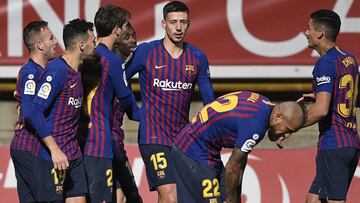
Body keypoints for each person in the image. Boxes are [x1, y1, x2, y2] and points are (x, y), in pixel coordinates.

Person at [126, 1, 214, 202]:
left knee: (174, 196)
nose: (179, 28)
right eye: (173, 22)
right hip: (153, 136)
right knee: (170, 195)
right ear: (164, 24)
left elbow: (210, 101)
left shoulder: (197, 57)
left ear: (189, 23)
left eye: (183, 22)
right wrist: (133, 110)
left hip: (182, 139)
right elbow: (120, 78)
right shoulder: (146, 52)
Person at [172, 91, 306, 203]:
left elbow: (240, 161)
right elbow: (233, 167)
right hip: (192, 151)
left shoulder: (264, 103)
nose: (287, 135)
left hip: (203, 150)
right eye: (287, 129)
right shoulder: (256, 126)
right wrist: (231, 200)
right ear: (278, 117)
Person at [29, 18, 96, 202]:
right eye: (93, 41)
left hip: (73, 155)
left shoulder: (78, 72)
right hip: (53, 158)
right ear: (82, 45)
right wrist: (54, 150)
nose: (95, 46)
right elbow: (34, 111)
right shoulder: (57, 71)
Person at [297, 9, 360, 203]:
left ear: (320, 33)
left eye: (309, 28)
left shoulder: (325, 63)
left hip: (334, 145)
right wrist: (318, 94)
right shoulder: (348, 58)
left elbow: (321, 110)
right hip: (350, 143)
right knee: (313, 200)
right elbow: (347, 94)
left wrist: (290, 126)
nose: (305, 33)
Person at [79, 4, 139, 203]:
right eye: (123, 26)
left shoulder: (85, 56)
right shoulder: (112, 60)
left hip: (80, 139)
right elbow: (126, 99)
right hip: (102, 141)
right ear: (117, 30)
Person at [10, 20, 57, 203]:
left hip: (25, 147)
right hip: (29, 147)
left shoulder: (42, 71)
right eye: (51, 38)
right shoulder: (31, 72)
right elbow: (30, 111)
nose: (55, 42)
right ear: (39, 45)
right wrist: (53, 147)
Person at [112, 23, 143, 203]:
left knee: (124, 197)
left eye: (134, 35)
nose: (133, 39)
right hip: (103, 145)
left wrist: (156, 116)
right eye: (126, 37)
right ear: (116, 41)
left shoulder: (123, 72)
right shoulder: (107, 69)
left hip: (117, 142)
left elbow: (132, 111)